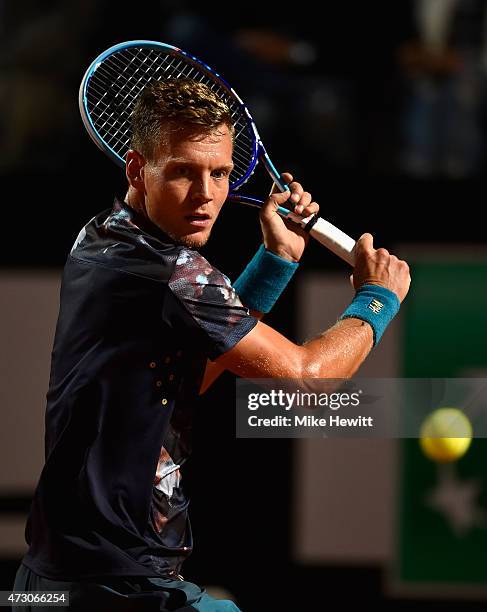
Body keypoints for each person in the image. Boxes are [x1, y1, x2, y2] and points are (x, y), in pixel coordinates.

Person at [13, 79, 410, 611]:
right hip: (119, 586)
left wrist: (274, 262)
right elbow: (310, 377)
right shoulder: (173, 273)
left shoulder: (102, 236)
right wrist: (377, 300)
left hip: (51, 585)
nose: (206, 195)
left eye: (219, 173)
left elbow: (185, 373)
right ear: (137, 169)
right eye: (182, 171)